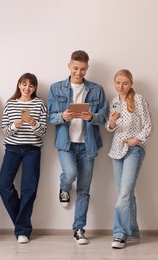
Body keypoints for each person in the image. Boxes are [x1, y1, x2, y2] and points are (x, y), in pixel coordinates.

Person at [47, 50, 107, 244]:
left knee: (84, 189)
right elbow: (49, 116)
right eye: (75, 68)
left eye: (82, 69)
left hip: (88, 145)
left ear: (87, 68)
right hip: (66, 143)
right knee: (70, 173)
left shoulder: (96, 90)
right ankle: (64, 187)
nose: (79, 72)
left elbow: (103, 117)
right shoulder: (56, 88)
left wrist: (92, 117)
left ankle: (79, 229)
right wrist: (61, 117)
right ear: (69, 66)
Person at [0, 73, 47, 244]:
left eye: (31, 86)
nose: (27, 88)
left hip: (32, 150)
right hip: (12, 148)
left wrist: (33, 123)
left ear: (35, 88)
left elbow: (42, 132)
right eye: (24, 84)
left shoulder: (40, 104)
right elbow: (4, 129)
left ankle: (22, 231)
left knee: (29, 189)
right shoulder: (10, 104)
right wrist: (14, 125)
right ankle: (23, 223)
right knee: (3, 184)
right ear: (19, 84)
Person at [106, 69, 153, 249]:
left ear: (131, 83)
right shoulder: (114, 102)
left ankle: (119, 234)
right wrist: (111, 122)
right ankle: (132, 230)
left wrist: (137, 140)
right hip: (116, 150)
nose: (121, 86)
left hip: (134, 149)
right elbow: (110, 128)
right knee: (125, 193)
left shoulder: (139, 100)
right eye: (118, 82)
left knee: (125, 193)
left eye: (125, 83)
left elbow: (149, 125)